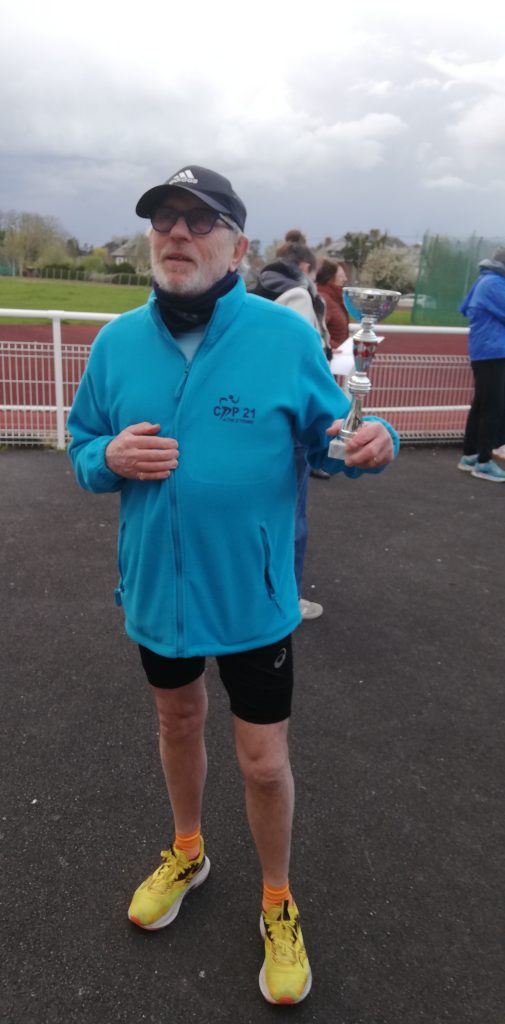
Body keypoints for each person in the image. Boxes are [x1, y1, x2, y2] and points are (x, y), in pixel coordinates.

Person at [67, 165, 399, 1006]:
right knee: (176, 721)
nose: (177, 234)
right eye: (163, 220)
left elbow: (332, 440)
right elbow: (81, 446)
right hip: (156, 590)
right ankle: (188, 851)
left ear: (237, 245)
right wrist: (106, 456)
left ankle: (276, 899)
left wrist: (375, 440)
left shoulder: (280, 337)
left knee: (262, 761)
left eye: (199, 220)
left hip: (251, 596)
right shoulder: (114, 343)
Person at [252, 231, 331, 620]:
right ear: (304, 267)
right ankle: (288, 597)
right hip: (288, 416)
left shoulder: (254, 289)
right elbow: (303, 358)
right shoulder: (298, 295)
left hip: (252, 412)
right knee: (291, 515)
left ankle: (256, 590)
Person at [458, 247, 505, 482]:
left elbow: (464, 307)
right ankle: (484, 462)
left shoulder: (485, 280)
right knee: (492, 407)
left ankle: (470, 455)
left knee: (481, 405)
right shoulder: (494, 284)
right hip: (494, 350)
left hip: (485, 350)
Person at [315, 258, 350, 353]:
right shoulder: (324, 299)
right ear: (330, 278)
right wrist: (332, 348)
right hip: (330, 358)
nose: (345, 279)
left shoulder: (334, 298)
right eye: (341, 276)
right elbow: (315, 331)